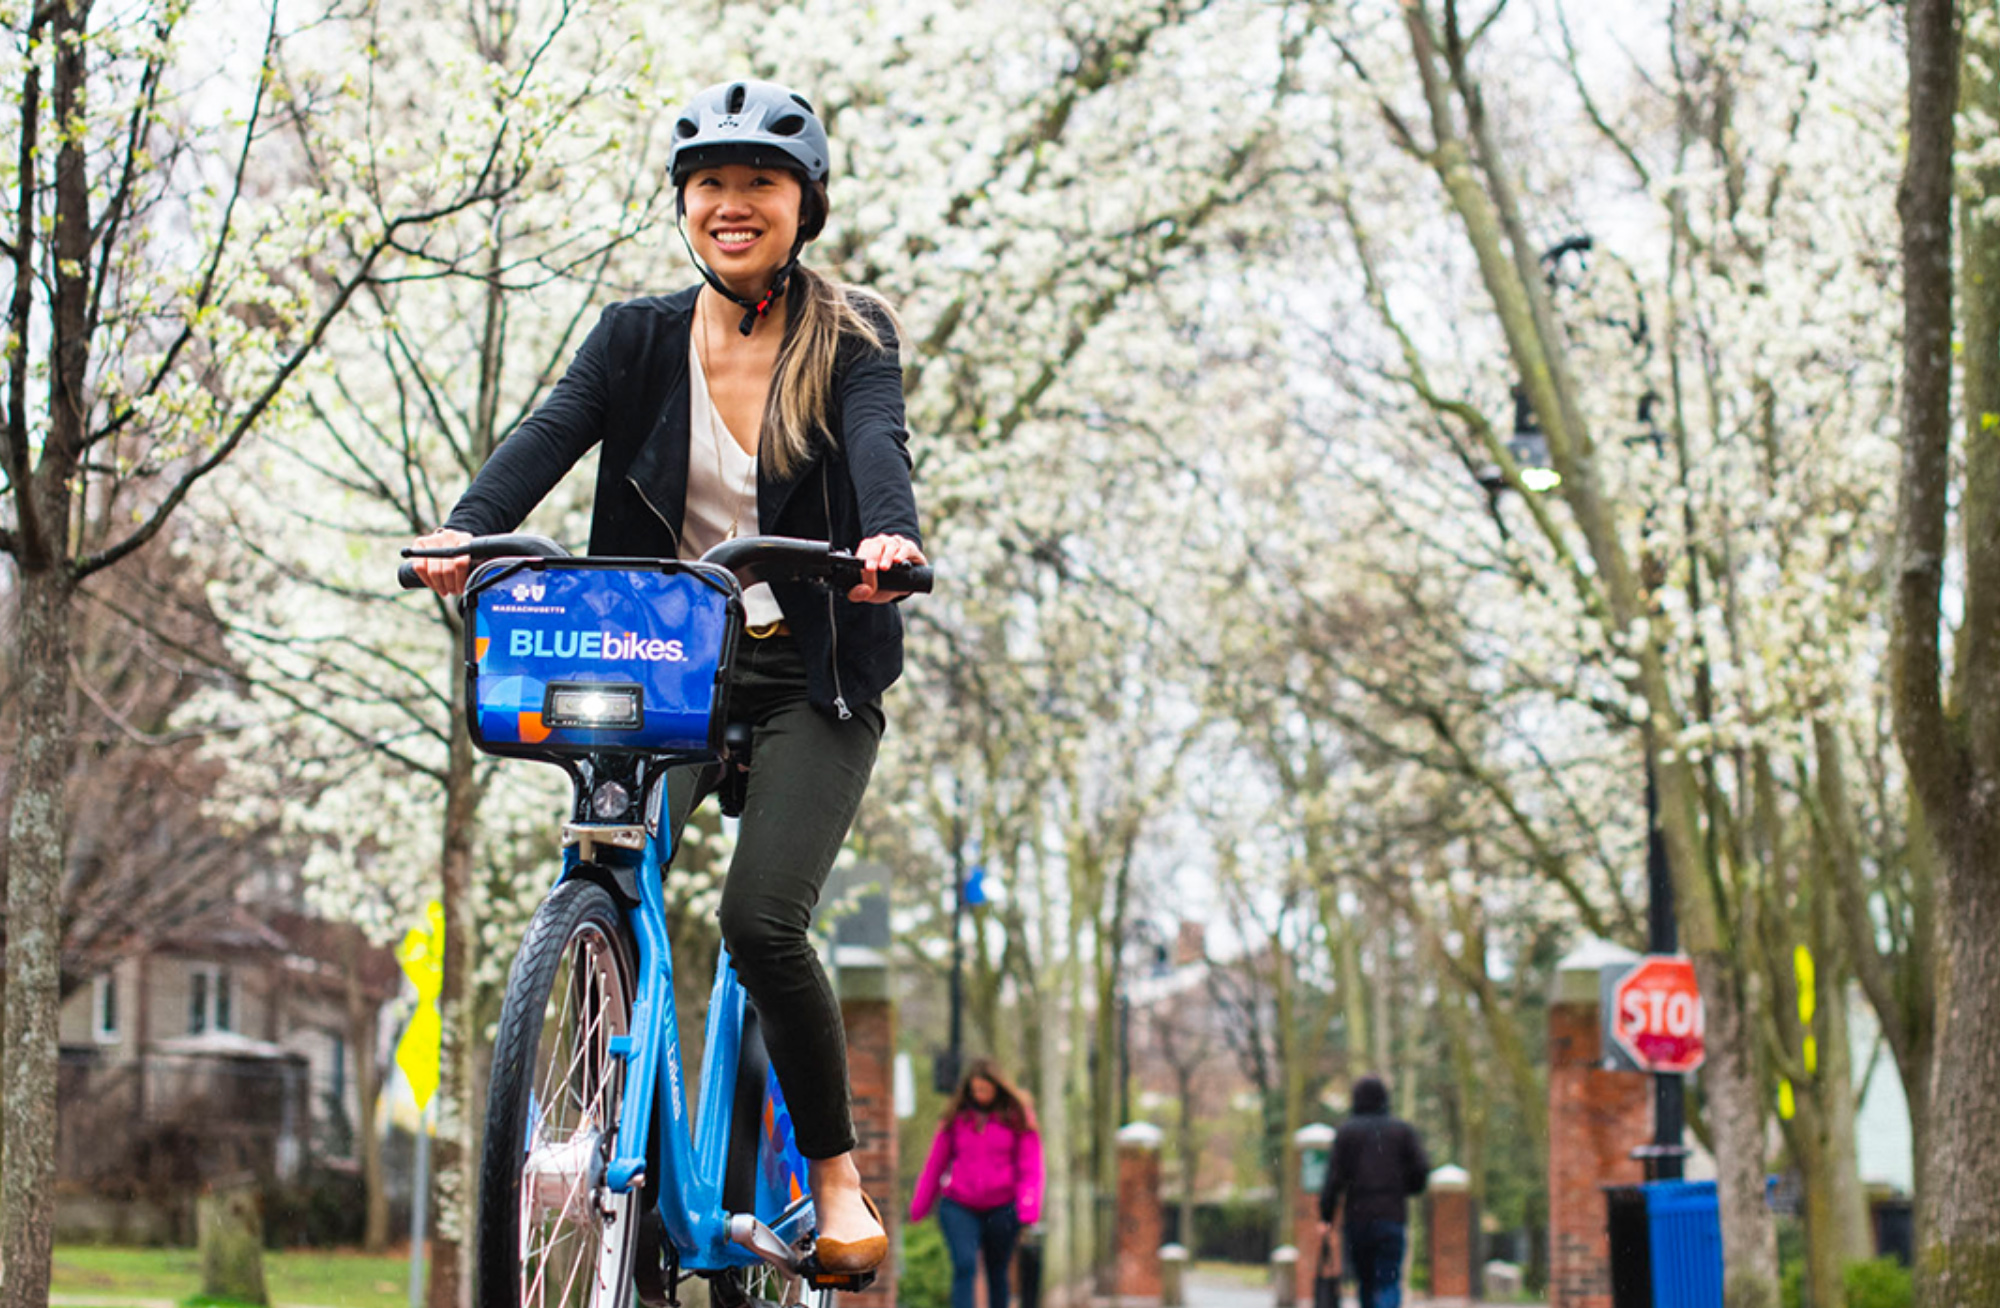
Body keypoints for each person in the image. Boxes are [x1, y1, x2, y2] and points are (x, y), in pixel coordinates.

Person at [408, 78, 926, 1273]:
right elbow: (546, 435)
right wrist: (466, 527)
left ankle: (838, 1184)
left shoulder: (850, 336)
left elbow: (874, 444)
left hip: (809, 672)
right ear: (682, 206)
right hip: (664, 659)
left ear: (805, 206)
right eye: (710, 187)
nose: (731, 206)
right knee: (604, 854)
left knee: (758, 917)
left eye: (760, 186)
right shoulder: (635, 338)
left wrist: (885, 541)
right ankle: (599, 1112)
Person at [909, 1059, 1046, 1308]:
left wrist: (1028, 1208)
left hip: (1002, 1207)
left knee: (998, 1271)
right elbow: (935, 1165)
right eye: (975, 1090)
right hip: (959, 1205)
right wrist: (920, 1206)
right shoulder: (957, 1119)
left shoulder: (1016, 1119)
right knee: (964, 1264)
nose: (979, 1095)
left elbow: (1031, 1167)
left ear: (997, 1088)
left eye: (984, 1089)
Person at [1316, 1075, 1430, 1308]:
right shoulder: (1402, 1132)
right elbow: (1421, 1170)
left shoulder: (1348, 1133)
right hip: (1391, 1216)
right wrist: (1404, 1188)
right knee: (1388, 1280)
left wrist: (1326, 1216)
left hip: (1358, 1219)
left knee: (1365, 1282)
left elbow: (1334, 1178)